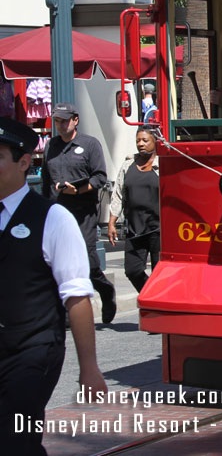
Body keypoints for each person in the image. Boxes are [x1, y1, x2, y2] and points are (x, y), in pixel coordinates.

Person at [0, 117, 107, 455]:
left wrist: (88, 367)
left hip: (33, 351)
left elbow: (76, 295)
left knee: (15, 439)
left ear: (24, 163)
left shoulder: (53, 218)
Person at [40, 103, 116, 323]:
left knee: (87, 261)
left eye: (64, 120)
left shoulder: (90, 144)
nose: (60, 125)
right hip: (57, 212)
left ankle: (105, 289)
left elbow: (100, 178)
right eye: (57, 121)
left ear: (75, 120)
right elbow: (46, 180)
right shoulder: (50, 146)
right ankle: (63, 313)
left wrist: (78, 190)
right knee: (56, 262)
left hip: (84, 212)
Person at [107, 127, 159, 293]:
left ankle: (156, 306)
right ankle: (150, 295)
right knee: (132, 270)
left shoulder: (162, 165)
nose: (141, 144)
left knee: (159, 274)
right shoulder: (128, 165)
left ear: (155, 141)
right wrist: (111, 222)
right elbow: (118, 195)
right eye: (138, 141)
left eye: (145, 140)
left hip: (158, 230)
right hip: (135, 229)